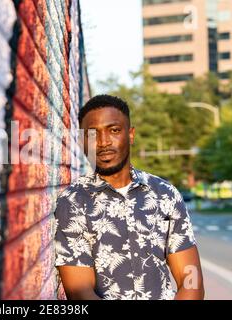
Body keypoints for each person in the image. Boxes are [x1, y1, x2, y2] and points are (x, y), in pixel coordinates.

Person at [54, 95, 204, 300]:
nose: (103, 142)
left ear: (131, 134)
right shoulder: (72, 202)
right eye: (92, 134)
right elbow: (80, 293)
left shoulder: (165, 194)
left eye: (114, 130)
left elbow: (191, 281)